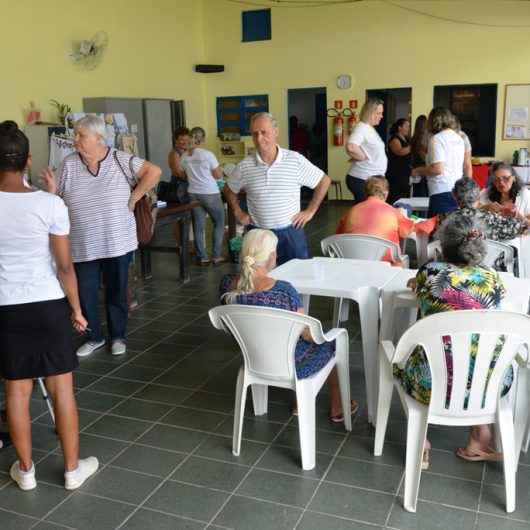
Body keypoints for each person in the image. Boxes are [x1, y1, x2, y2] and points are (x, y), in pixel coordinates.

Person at [0, 121, 99, 490]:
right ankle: (72, 469)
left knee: (16, 392)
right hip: (47, 305)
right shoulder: (50, 204)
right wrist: (76, 309)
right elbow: (65, 267)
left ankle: (25, 471)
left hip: (7, 308)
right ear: (28, 160)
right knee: (62, 389)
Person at [41, 115, 161, 358]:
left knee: (117, 292)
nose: (75, 140)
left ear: (98, 138)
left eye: (80, 135)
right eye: (75, 134)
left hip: (117, 243)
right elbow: (59, 199)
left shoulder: (120, 159)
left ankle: (118, 336)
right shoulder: (69, 164)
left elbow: (154, 171)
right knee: (86, 292)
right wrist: (52, 191)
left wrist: (135, 196)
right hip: (83, 244)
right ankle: (94, 336)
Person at [395, 214, 510, 466]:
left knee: (409, 356)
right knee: (478, 354)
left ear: (444, 245)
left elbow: (416, 285)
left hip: (432, 383)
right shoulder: (492, 278)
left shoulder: (430, 272)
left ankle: (421, 441)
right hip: (488, 385)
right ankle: (480, 435)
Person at [219, 229, 357, 423]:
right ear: (273, 255)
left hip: (253, 357)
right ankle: (335, 404)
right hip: (292, 364)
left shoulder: (226, 285)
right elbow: (310, 336)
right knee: (332, 342)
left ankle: (300, 402)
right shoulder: (283, 291)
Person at [224, 112, 330, 266]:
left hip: (290, 232)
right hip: (258, 233)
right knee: (259, 279)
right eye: (255, 134)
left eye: (264, 132)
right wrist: (237, 212)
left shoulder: (294, 160)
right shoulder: (245, 166)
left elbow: (324, 181)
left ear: (275, 132)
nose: (259, 138)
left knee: (298, 277)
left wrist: (310, 211)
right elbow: (228, 189)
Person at [335, 176, 415, 264]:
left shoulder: (352, 210)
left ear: (366, 192)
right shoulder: (393, 212)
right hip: (385, 265)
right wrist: (403, 215)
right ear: (386, 193)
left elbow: (339, 234)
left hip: (352, 261)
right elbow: (405, 233)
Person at [180, 126, 226, 265]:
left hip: (193, 193)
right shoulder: (207, 155)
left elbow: (183, 174)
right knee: (219, 222)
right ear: (203, 139)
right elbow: (218, 175)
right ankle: (216, 256)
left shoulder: (184, 156)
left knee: (198, 226)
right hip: (210, 193)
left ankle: (203, 257)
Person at [412, 108, 465, 217]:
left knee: (437, 229)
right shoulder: (459, 138)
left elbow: (437, 169)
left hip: (440, 190)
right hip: (457, 189)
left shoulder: (437, 139)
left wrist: (418, 170)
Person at [345, 98, 387, 204]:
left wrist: (360, 155)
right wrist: (362, 157)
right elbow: (351, 146)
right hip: (362, 179)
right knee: (367, 213)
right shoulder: (362, 128)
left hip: (369, 178)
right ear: (370, 113)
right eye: (378, 113)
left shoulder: (369, 128)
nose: (381, 116)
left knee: (368, 212)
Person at [386, 118, 412, 204]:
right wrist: (413, 146)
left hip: (404, 172)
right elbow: (399, 152)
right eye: (406, 126)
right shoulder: (394, 139)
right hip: (395, 173)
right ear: (399, 128)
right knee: (395, 196)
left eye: (409, 126)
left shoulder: (406, 139)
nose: (408, 128)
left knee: (404, 196)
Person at [410, 114, 429, 197]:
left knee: (418, 194)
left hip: (415, 167)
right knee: (424, 194)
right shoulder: (423, 139)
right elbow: (423, 155)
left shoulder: (414, 138)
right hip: (423, 168)